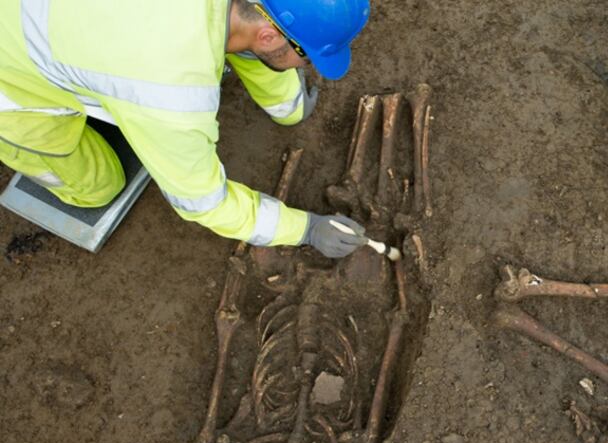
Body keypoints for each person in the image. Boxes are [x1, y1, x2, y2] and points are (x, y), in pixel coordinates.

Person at [0, 0, 372, 259]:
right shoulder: (172, 94)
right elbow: (204, 203)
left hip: (54, 23)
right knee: (101, 187)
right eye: (305, 54)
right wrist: (305, 229)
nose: (307, 65)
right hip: (12, 84)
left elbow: (255, 36)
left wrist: (289, 107)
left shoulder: (251, 14)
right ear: (270, 37)